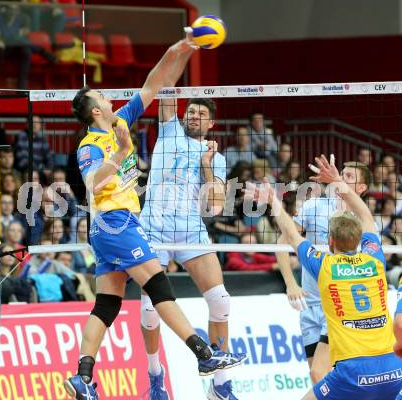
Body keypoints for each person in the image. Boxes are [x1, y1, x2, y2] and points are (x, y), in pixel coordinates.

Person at [64, 36, 246, 400]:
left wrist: (180, 49)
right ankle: (204, 355)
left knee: (108, 303)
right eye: (101, 97)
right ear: (94, 111)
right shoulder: (92, 143)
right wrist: (122, 154)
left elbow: (155, 83)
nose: (108, 97)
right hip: (116, 222)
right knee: (159, 289)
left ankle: (83, 375)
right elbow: (91, 182)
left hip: (119, 226)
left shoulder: (120, 123)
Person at [248, 155, 402, 400]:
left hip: (343, 327)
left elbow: (290, 234)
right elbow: (368, 220)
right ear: (363, 241)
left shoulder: (325, 265)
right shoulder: (375, 259)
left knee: (323, 374)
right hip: (387, 362)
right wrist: (339, 182)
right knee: (316, 372)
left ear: (330, 243)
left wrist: (274, 204)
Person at [139, 46, 241, 400]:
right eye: (191, 111)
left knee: (221, 301)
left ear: (211, 123)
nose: (194, 116)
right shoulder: (169, 132)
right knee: (150, 308)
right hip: (153, 230)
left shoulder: (217, 157)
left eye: (201, 114)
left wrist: (208, 167)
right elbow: (166, 84)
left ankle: (221, 385)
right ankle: (155, 375)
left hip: (192, 232)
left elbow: (213, 207)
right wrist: (184, 48)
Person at [275, 160, 372, 384]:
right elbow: (283, 240)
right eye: (342, 174)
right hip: (310, 304)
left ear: (362, 188)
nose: (340, 178)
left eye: (349, 177)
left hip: (340, 307)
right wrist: (291, 283)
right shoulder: (314, 206)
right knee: (317, 378)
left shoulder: (362, 218)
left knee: (333, 374)